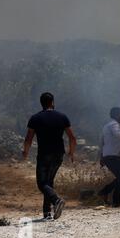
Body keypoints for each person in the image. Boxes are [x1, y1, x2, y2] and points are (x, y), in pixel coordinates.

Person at [22, 92, 77, 220]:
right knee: (48, 182)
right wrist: (71, 152)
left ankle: (56, 201)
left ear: (41, 103)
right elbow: (72, 137)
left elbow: (28, 139)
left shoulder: (35, 118)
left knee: (42, 184)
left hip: (44, 154)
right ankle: (47, 214)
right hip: (58, 154)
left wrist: (25, 152)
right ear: (52, 102)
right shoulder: (62, 117)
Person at [98, 107, 120, 207]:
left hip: (108, 156)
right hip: (112, 156)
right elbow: (118, 135)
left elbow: (102, 142)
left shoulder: (106, 126)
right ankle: (115, 200)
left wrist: (101, 157)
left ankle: (107, 193)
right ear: (116, 115)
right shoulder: (114, 124)